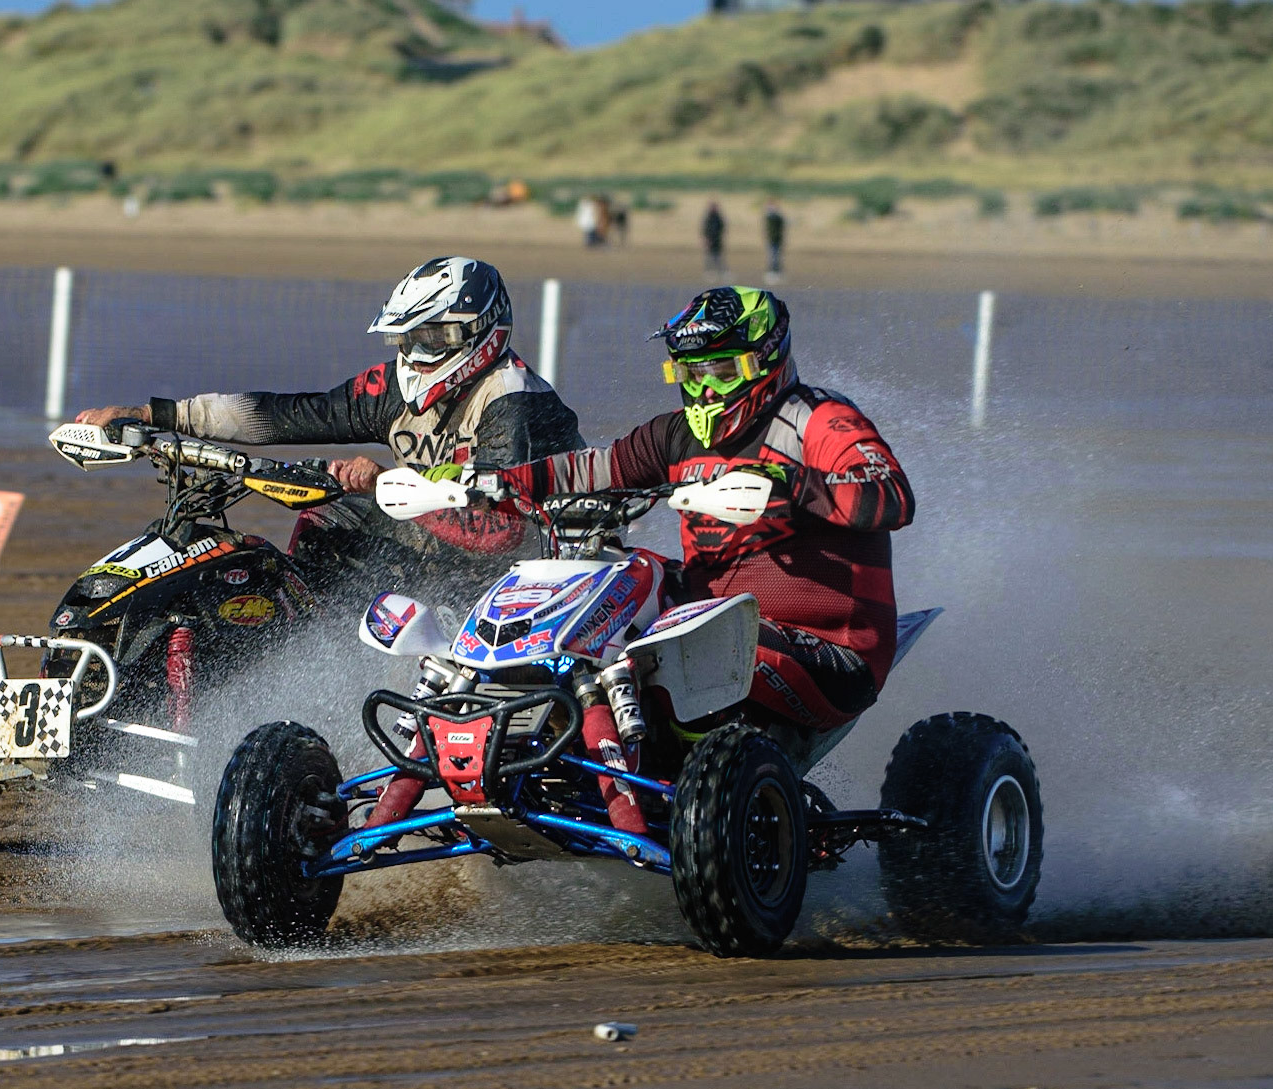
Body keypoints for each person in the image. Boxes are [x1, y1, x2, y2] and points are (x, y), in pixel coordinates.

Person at [368, 286, 915, 836]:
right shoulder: (675, 436)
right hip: (711, 613)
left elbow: (891, 495)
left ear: (765, 359)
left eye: (721, 371)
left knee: (672, 633)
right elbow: (589, 470)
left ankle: (689, 791)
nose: (703, 389)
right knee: (612, 580)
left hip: (829, 648)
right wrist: (482, 482)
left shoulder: (818, 421)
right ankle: (522, 744)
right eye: (689, 374)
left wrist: (787, 482)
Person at [74, 256, 584, 595]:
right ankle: (301, 647)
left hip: (527, 577)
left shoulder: (514, 402)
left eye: (436, 337)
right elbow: (287, 415)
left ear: (480, 332)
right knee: (320, 518)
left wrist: (386, 483)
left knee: (346, 513)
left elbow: (501, 531)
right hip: (442, 546)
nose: (421, 354)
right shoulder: (393, 388)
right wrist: (152, 415)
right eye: (412, 339)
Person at [763, 200, 786, 284]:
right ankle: (772, 273)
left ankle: (777, 272)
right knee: (772, 257)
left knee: (776, 257)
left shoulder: (777, 217)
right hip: (771, 240)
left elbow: (781, 224)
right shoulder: (769, 217)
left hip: (777, 240)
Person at [702, 201, 726, 278]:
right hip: (710, 239)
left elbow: (722, 227)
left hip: (717, 239)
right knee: (709, 257)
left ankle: (721, 271)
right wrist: (706, 239)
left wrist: (720, 236)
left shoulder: (718, 217)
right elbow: (705, 229)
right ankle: (709, 272)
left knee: (718, 256)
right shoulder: (708, 217)